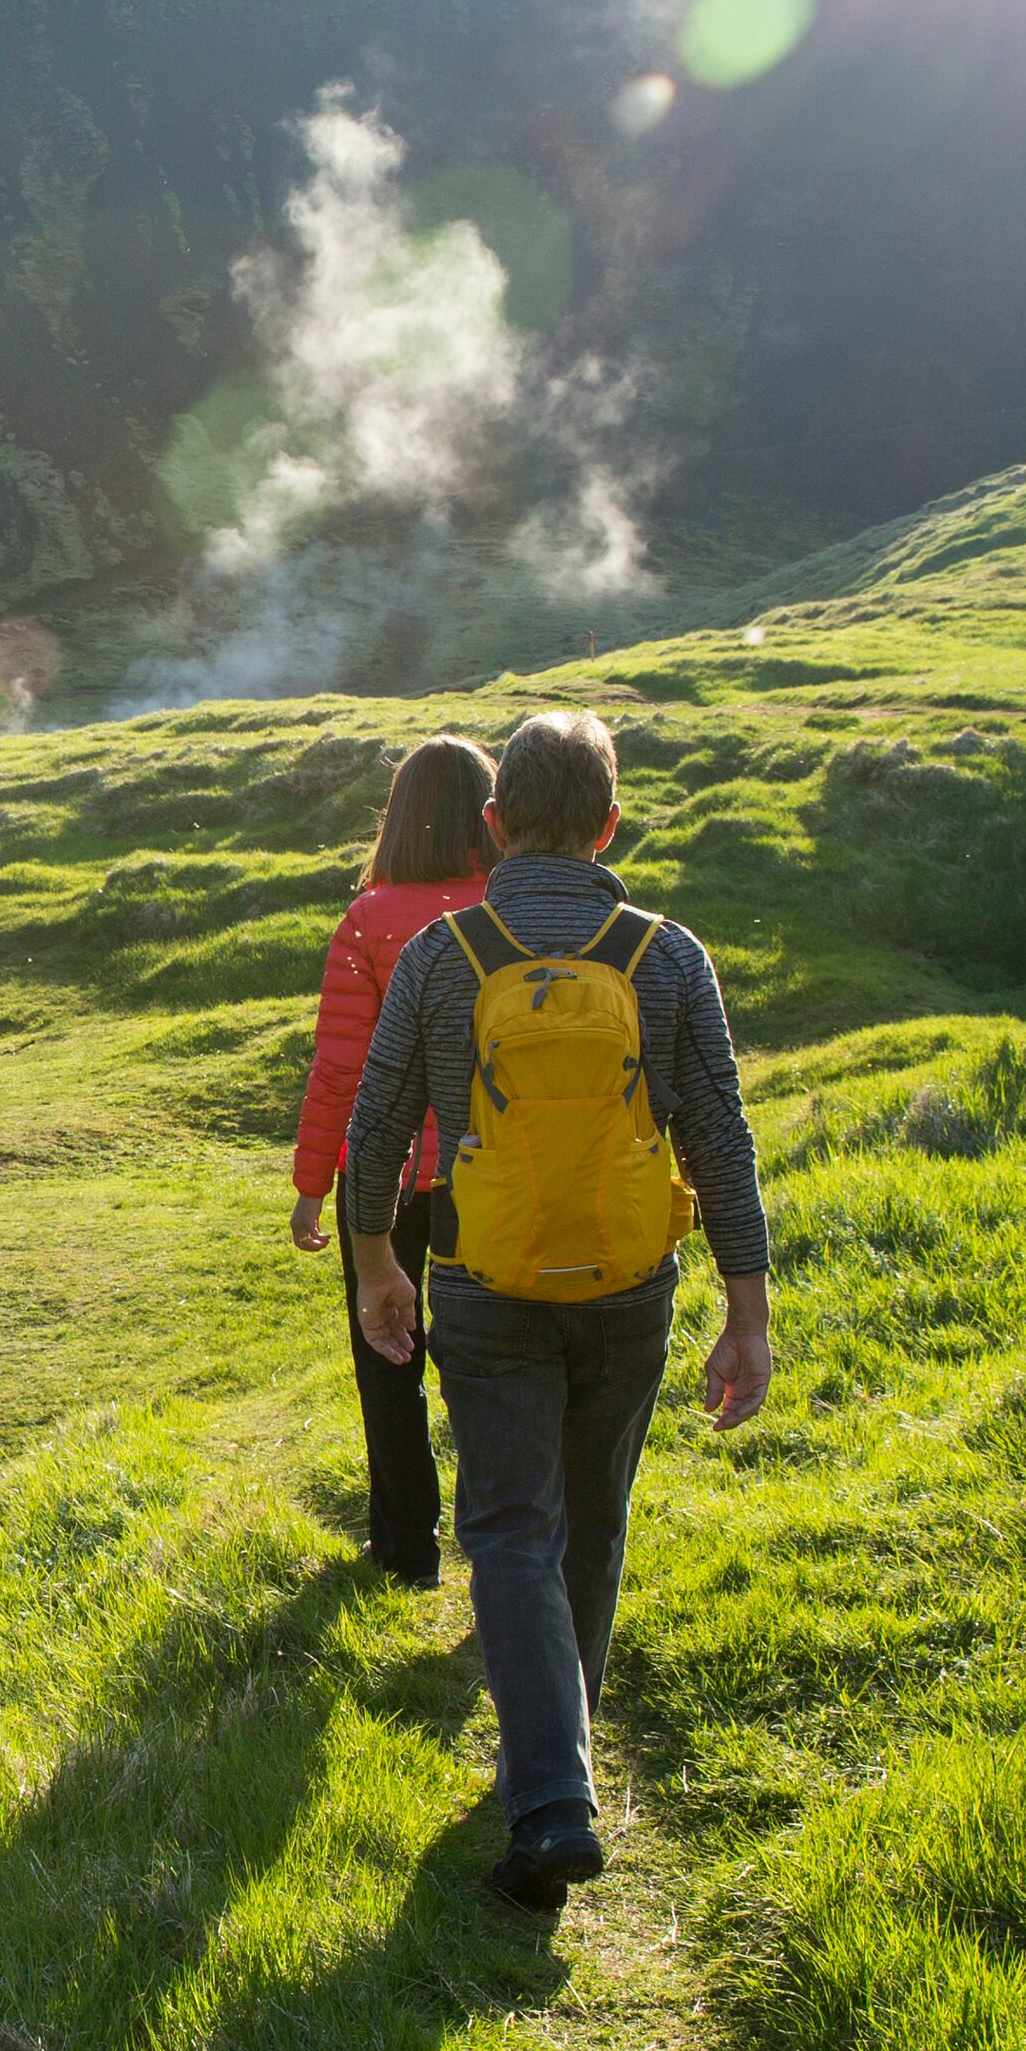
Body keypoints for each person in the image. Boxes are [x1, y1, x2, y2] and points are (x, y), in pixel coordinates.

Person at [340, 709, 774, 1916]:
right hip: (631, 1287)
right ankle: (555, 1769)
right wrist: (747, 1308)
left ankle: (549, 1795)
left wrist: (380, 1264)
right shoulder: (667, 955)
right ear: (608, 822)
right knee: (590, 1521)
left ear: (493, 824)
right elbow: (720, 1142)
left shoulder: (439, 956)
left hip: (483, 1282)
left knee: (510, 1527)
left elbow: (376, 1130)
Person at [287, 735, 495, 1585]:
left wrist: (311, 1186)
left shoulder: (368, 920)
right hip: (497, 1171)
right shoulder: (509, 908)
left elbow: (342, 1066)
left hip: (391, 1176)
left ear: (397, 818)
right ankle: (504, 1549)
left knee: (388, 1355)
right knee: (493, 1364)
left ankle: (406, 1552)